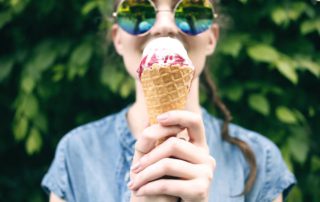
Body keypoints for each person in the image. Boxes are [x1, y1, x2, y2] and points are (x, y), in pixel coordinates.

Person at [41, 0, 296, 201]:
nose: (165, 25)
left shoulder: (258, 159)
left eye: (190, 10)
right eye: (138, 10)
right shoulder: (77, 153)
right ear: (118, 39)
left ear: (212, 37)